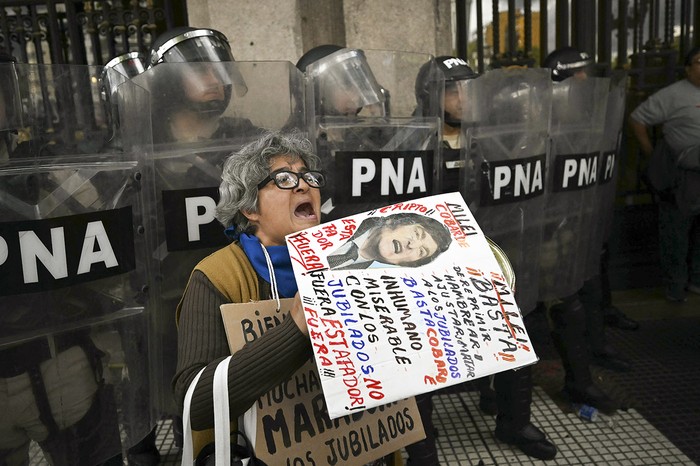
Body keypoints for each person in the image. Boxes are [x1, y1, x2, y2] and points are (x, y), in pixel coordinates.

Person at [173, 131, 400, 465]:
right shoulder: (216, 277)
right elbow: (195, 403)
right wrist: (296, 327)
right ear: (250, 208)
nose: (303, 185)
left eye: (308, 176)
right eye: (283, 179)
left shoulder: (354, 261)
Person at [412, 55, 558, 462]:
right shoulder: (410, 145)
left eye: (470, 88)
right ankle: (420, 438)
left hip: (489, 257)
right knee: (418, 343)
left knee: (517, 328)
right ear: (430, 97)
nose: (465, 98)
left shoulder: (497, 140)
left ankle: (515, 420)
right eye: (454, 90)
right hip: (430, 265)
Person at [541, 46, 625, 414]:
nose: (585, 81)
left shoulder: (587, 118)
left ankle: (582, 377)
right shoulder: (538, 118)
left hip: (574, 226)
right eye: (577, 75)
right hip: (539, 234)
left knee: (577, 300)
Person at [629, 45, 700, 303]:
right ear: (688, 68)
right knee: (676, 233)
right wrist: (653, 155)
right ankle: (675, 286)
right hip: (683, 177)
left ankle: (696, 281)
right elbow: (638, 119)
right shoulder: (673, 94)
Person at [148, 26, 258, 145]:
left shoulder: (248, 138)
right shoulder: (146, 143)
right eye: (200, 71)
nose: (216, 81)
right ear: (167, 82)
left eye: (220, 71)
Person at [326, 212, 451, 270]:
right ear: (395, 221)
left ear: (404, 264)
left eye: (421, 251)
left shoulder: (358, 280)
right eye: (417, 233)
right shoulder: (345, 218)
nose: (412, 245)